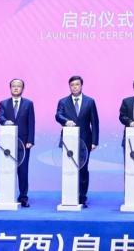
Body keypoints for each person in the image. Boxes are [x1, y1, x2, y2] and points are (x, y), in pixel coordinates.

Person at [55, 75, 100, 208]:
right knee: (69, 168)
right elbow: (58, 115)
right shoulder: (63, 101)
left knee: (83, 169)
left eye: (77, 85)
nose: (74, 87)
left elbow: (95, 122)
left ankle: (82, 197)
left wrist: (94, 141)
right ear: (69, 87)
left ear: (81, 86)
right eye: (72, 85)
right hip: (68, 141)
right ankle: (69, 195)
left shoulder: (89, 101)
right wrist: (66, 121)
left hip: (85, 140)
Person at [0, 78, 35, 207]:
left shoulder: (28, 104)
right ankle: (7, 195)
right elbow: (0, 117)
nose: (16, 88)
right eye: (13, 86)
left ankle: (23, 197)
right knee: (7, 169)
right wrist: (5, 121)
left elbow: (31, 123)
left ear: (22, 88)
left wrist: (30, 140)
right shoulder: (4, 103)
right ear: (10, 88)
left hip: (23, 143)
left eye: (19, 86)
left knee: (23, 171)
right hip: (7, 143)